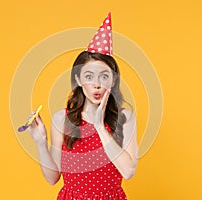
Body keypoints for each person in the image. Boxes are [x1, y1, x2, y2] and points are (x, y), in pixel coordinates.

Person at [28, 12, 138, 199]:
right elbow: (53, 178)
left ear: (112, 81)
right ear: (78, 79)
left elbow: (128, 171)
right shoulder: (62, 119)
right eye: (89, 76)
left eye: (104, 76)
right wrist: (40, 142)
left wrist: (99, 127)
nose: (97, 84)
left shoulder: (124, 117)